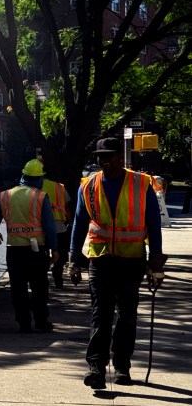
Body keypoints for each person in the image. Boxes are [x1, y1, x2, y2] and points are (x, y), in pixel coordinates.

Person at [68, 137, 166, 389]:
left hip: (132, 259)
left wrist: (156, 264)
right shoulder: (88, 185)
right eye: (101, 156)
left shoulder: (140, 183)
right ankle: (96, 368)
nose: (104, 161)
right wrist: (73, 260)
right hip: (100, 259)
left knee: (126, 317)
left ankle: (122, 366)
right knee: (100, 315)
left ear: (120, 157)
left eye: (109, 156)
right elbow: (79, 223)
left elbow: (154, 224)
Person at [0, 158, 59, 333]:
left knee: (18, 287)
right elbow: (49, 227)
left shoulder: (7, 195)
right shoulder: (40, 197)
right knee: (39, 287)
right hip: (36, 251)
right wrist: (54, 249)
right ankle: (41, 321)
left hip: (14, 250)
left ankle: (24, 322)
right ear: (39, 179)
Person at [40, 163, 71, 288]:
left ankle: (43, 278)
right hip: (59, 226)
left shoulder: (35, 187)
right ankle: (57, 274)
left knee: (43, 253)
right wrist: (70, 221)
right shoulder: (60, 187)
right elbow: (67, 208)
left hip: (40, 228)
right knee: (60, 253)